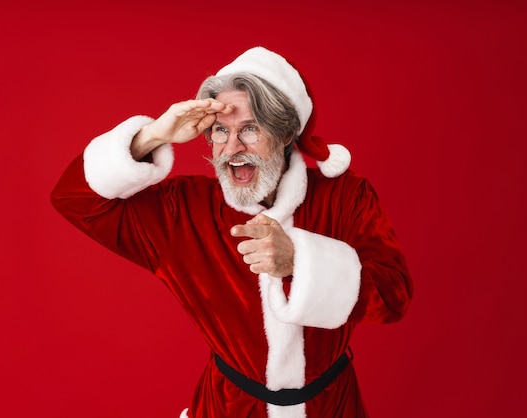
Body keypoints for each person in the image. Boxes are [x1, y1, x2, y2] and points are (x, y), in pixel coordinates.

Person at [51, 46, 413, 418]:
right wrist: (153, 135)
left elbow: (392, 295)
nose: (232, 148)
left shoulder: (346, 197)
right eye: (221, 131)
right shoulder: (182, 210)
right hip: (228, 408)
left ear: (286, 132)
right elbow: (75, 198)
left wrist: (299, 262)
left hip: (332, 407)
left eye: (250, 129)